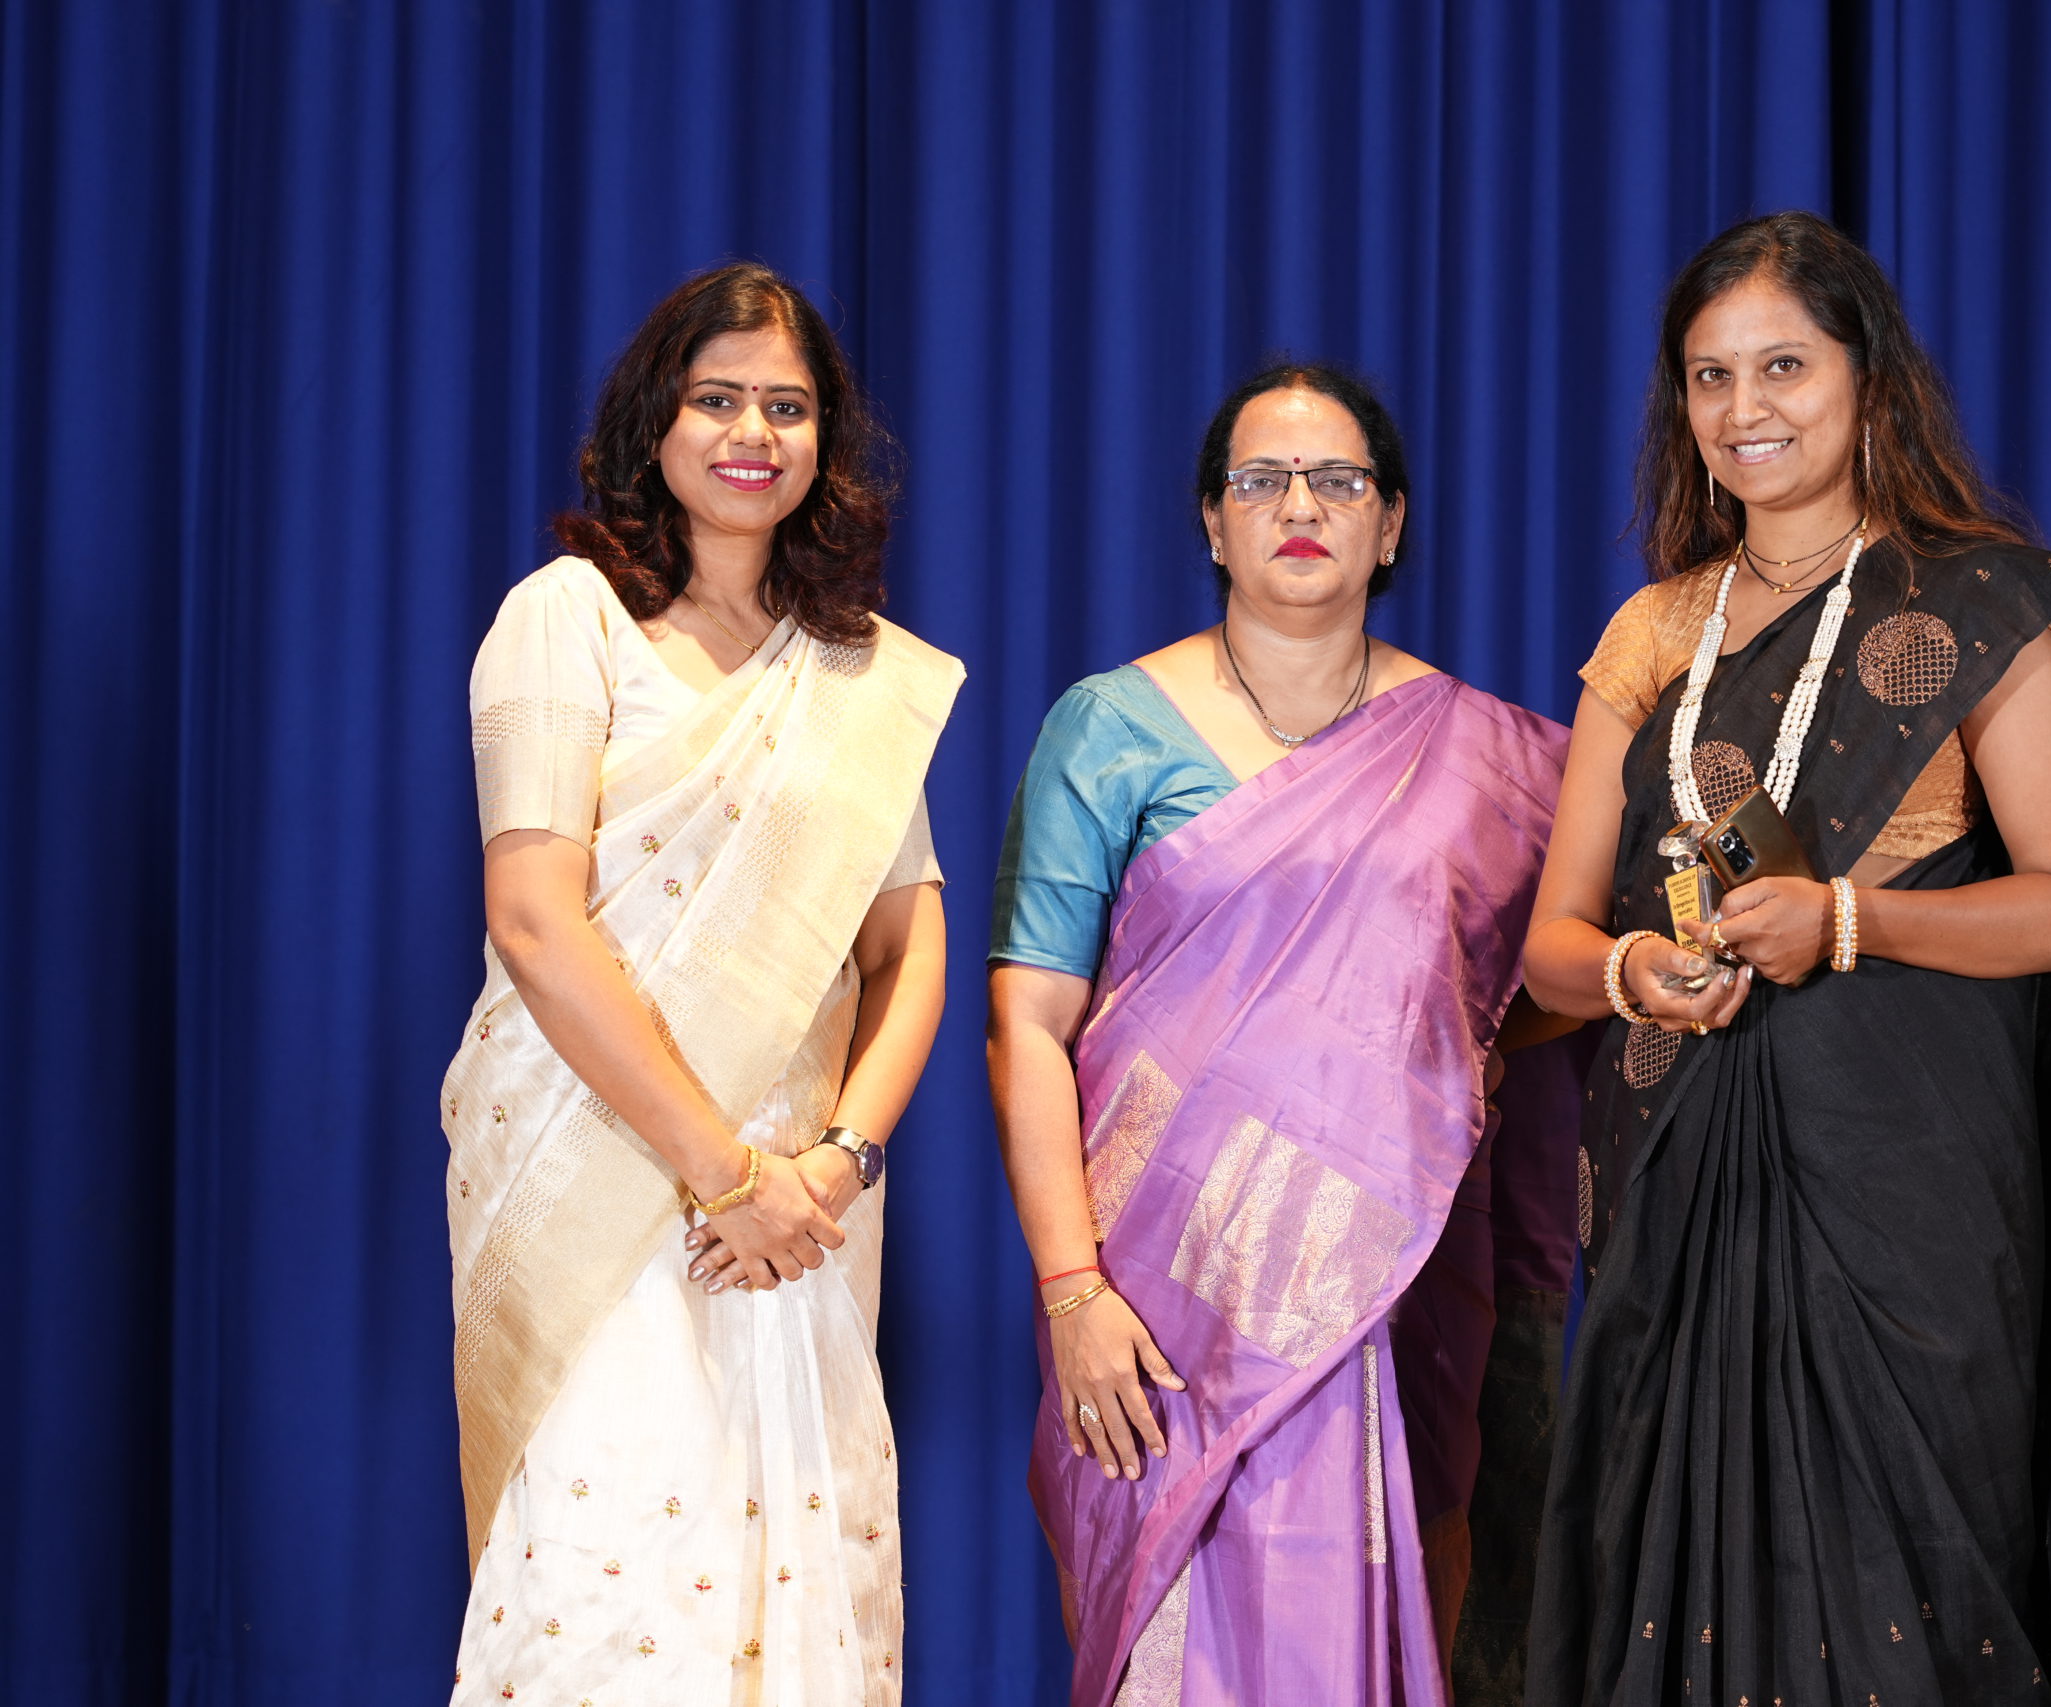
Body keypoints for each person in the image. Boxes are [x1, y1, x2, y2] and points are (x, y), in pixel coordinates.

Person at [1521, 212, 2051, 1707]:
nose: (1744, 409)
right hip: (1679, 1183)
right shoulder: (1653, 632)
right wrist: (1633, 972)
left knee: (1905, 1606)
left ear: (1867, 380)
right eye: (1709, 377)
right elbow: (1550, 947)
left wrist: (1848, 922)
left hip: (1909, 1196)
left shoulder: (1972, 606)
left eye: (1784, 366)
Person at [987, 363, 1581, 1705]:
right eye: (1260, 480)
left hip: (1389, 1283)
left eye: (1337, 480)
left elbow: (1564, 972)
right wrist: (1073, 1291)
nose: (1299, 507)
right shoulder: (1109, 728)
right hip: (1152, 1300)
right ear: (1213, 521)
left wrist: (1448, 1055)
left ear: (1392, 522)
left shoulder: (1497, 762)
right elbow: (1027, 1021)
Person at [443, 262, 963, 1704]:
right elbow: (535, 922)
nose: (753, 433)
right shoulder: (568, 618)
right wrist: (721, 1174)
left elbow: (908, 947)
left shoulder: (854, 673)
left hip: (800, 1214)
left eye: (787, 407)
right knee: (611, 1588)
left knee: (790, 1578)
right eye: (716, 398)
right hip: (606, 1176)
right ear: (653, 424)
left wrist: (835, 1164)